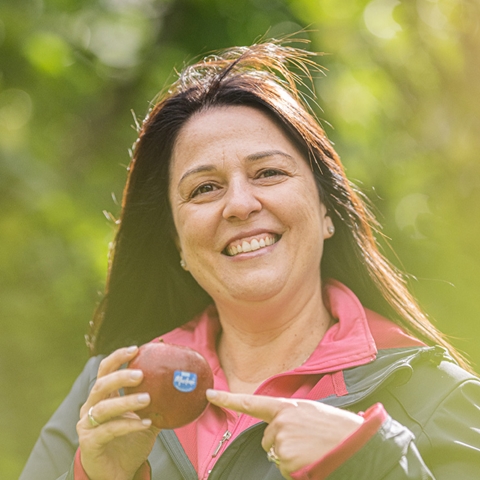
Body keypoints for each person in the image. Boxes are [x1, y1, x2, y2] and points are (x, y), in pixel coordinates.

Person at [21, 40, 480, 480]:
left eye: (269, 173)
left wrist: (368, 462)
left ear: (325, 211)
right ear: (177, 242)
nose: (240, 204)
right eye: (204, 188)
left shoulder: (436, 397)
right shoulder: (112, 393)